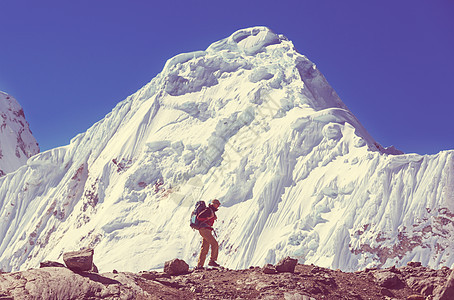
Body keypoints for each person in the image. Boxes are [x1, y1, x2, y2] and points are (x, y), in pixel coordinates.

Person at [196, 199, 221, 269]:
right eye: (217, 204)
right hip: (205, 230)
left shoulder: (211, 210)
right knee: (214, 244)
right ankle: (212, 261)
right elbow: (199, 217)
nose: (218, 206)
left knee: (205, 247)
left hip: (206, 230)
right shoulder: (208, 210)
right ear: (214, 204)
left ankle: (200, 265)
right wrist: (209, 217)